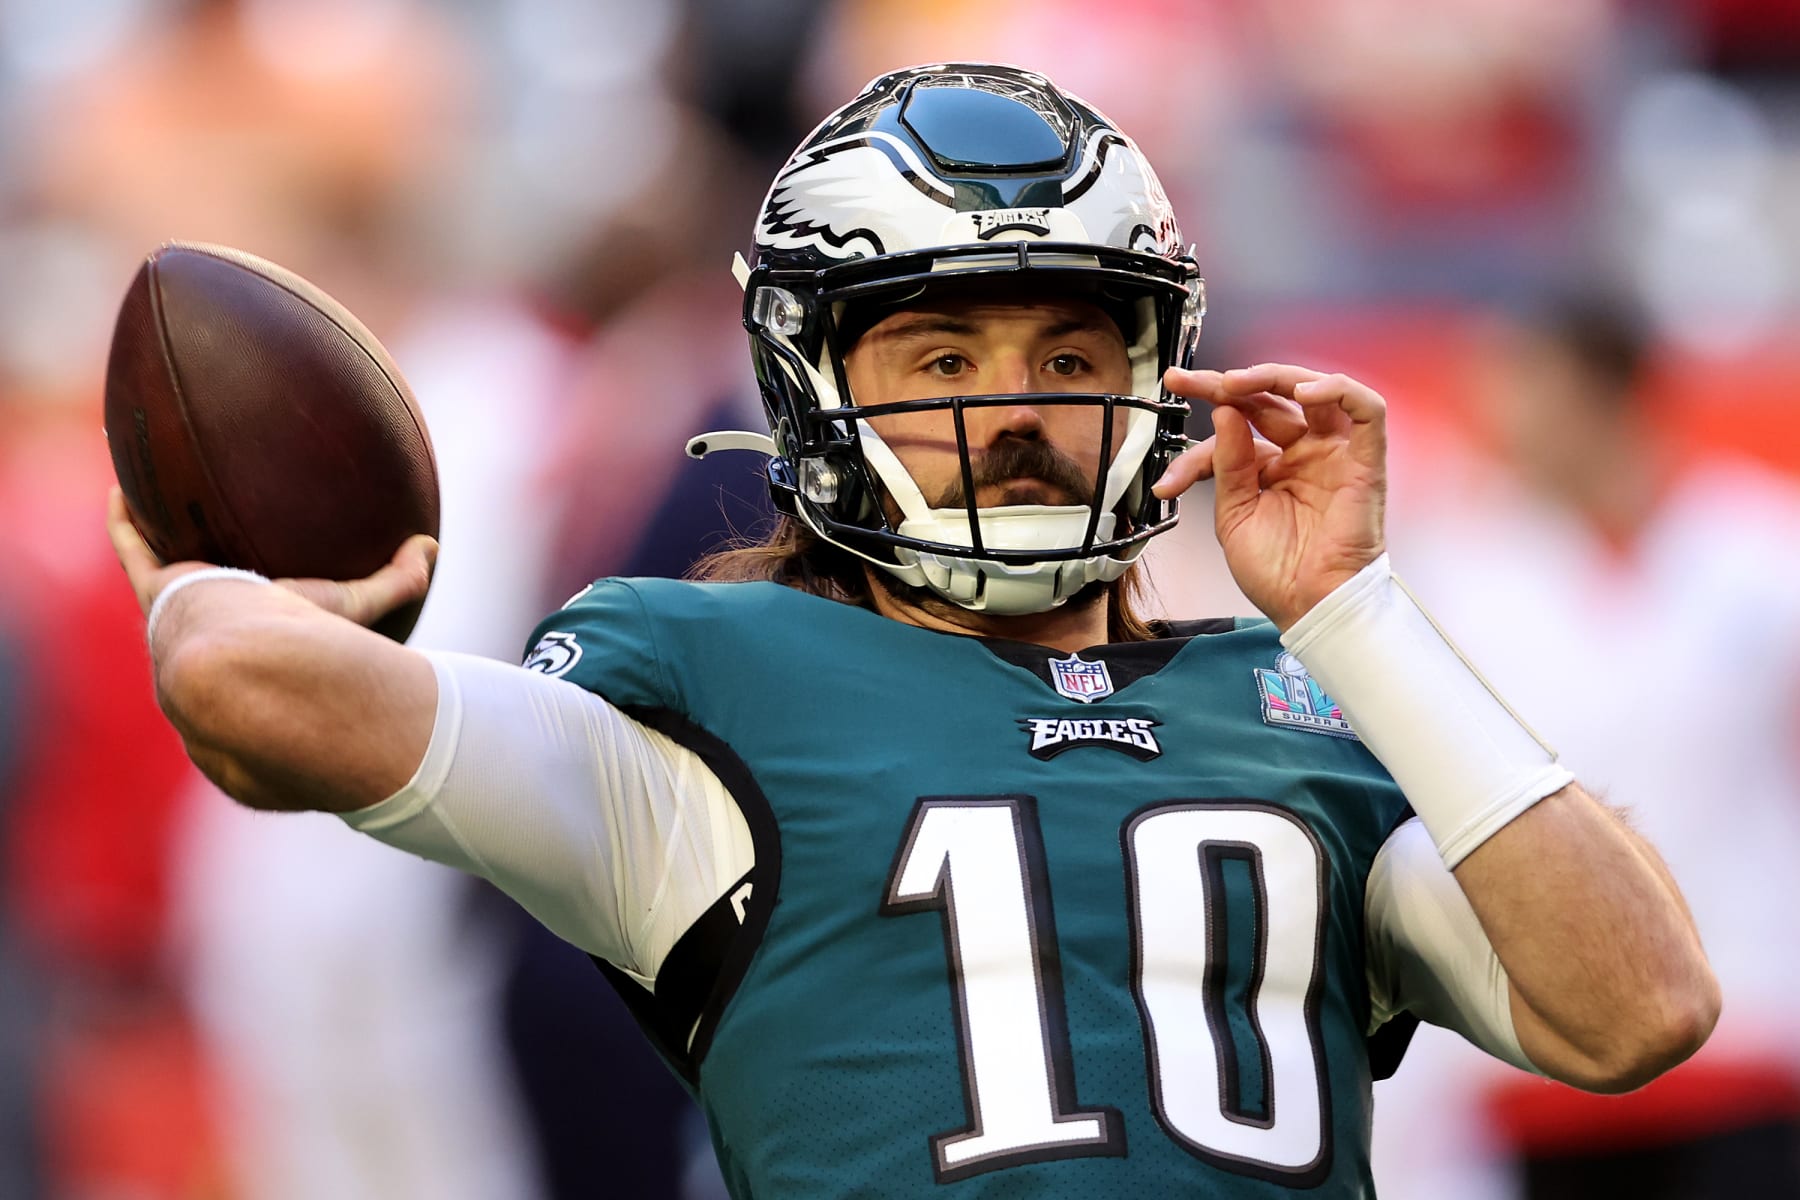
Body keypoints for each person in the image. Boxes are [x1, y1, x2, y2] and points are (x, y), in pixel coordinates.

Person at [108, 64, 1718, 1197]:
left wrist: (1356, 609)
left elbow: (1638, 1007)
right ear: (815, 387)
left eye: (1072, 354)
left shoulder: (1297, 701)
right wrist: (211, 583)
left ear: (1159, 382)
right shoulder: (709, 694)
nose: (1015, 411)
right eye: (942, 360)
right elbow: (250, 688)